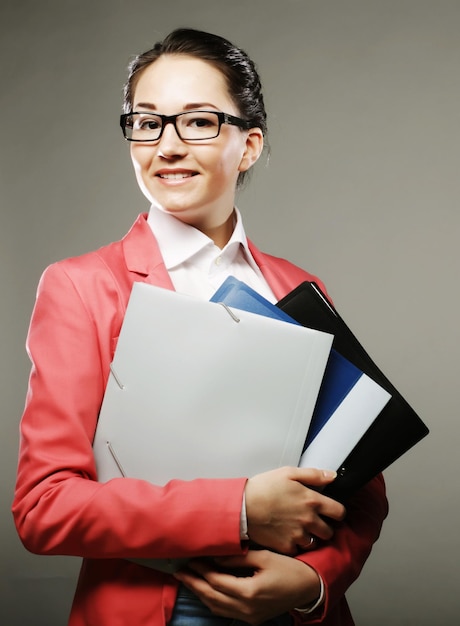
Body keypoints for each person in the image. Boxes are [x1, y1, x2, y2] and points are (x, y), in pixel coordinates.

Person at [12, 28, 388, 626]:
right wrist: (238, 508)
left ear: (249, 145)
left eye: (198, 122)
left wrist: (313, 582)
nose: (167, 145)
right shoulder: (81, 286)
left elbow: (361, 487)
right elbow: (44, 505)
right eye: (147, 122)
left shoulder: (301, 289)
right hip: (156, 607)